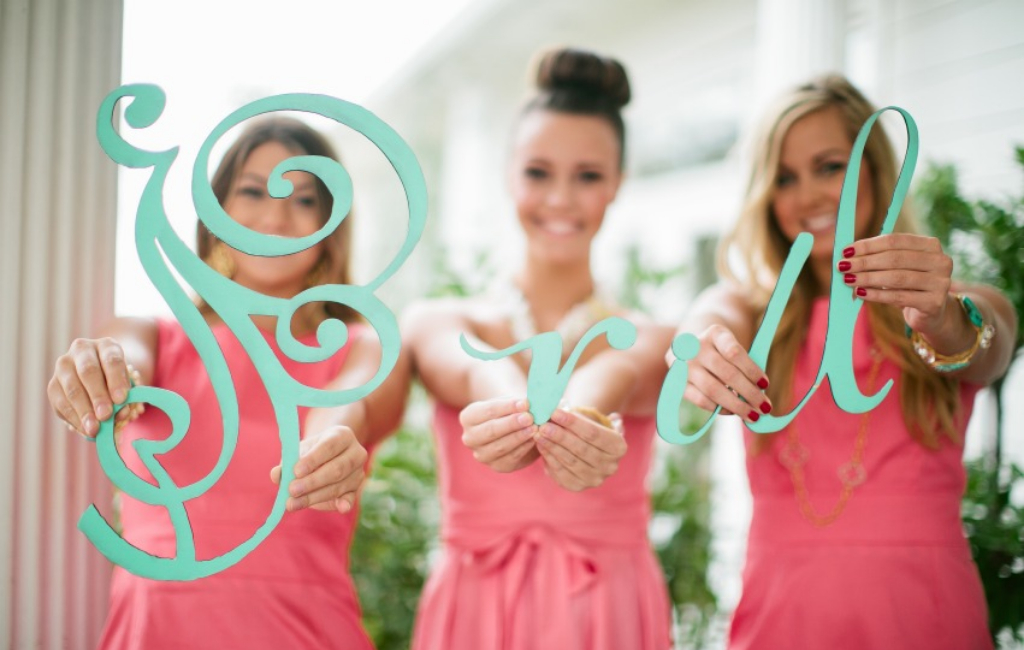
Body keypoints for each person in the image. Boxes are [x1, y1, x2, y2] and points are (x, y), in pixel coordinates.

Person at [677, 74, 1017, 649]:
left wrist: (943, 319)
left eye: (831, 165)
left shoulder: (949, 302)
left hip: (923, 621)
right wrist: (699, 343)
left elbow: (990, 343)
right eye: (785, 177)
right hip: (780, 622)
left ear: (877, 170)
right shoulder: (752, 315)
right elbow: (710, 315)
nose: (808, 195)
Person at [47, 117, 408, 649]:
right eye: (252, 191)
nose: (277, 216)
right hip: (156, 630)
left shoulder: (365, 346)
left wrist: (327, 442)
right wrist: (103, 372)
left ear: (332, 226)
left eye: (304, 200)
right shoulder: (150, 335)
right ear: (215, 213)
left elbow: (347, 407)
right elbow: (124, 360)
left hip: (305, 629)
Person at [403, 47, 675, 650]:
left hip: (606, 613)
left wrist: (582, 412)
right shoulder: (439, 320)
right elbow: (470, 362)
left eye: (588, 175)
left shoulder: (654, 337)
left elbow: (619, 372)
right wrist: (507, 392)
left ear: (617, 186)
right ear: (508, 174)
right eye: (538, 172)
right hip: (474, 611)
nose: (560, 198)